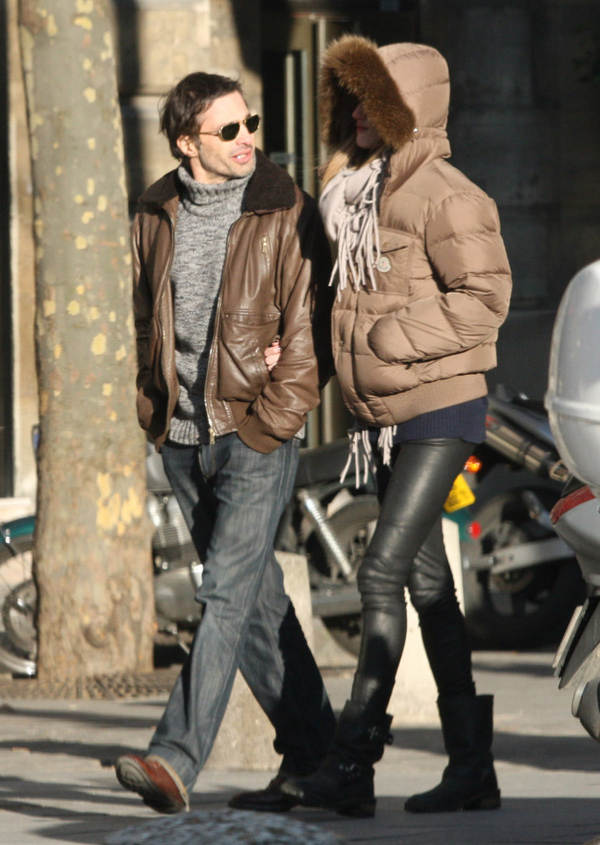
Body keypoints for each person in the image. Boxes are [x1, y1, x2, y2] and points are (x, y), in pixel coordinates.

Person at [278, 37, 512, 818]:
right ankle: (473, 766)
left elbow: (483, 298)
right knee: (425, 582)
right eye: (347, 98)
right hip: (386, 416)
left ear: (405, 106)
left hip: (441, 405)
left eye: (370, 98)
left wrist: (388, 341)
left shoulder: (446, 193)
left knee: (379, 572)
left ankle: (351, 762)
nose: (353, 113)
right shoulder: (355, 195)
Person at [115, 71, 336, 815]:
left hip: (254, 433)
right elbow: (144, 311)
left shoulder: (284, 207)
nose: (250, 141)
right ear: (188, 142)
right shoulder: (154, 208)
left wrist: (272, 418)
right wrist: (152, 401)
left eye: (253, 124)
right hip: (182, 437)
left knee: (224, 594)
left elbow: (310, 329)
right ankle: (324, 763)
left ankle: (175, 757)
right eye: (230, 130)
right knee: (254, 602)